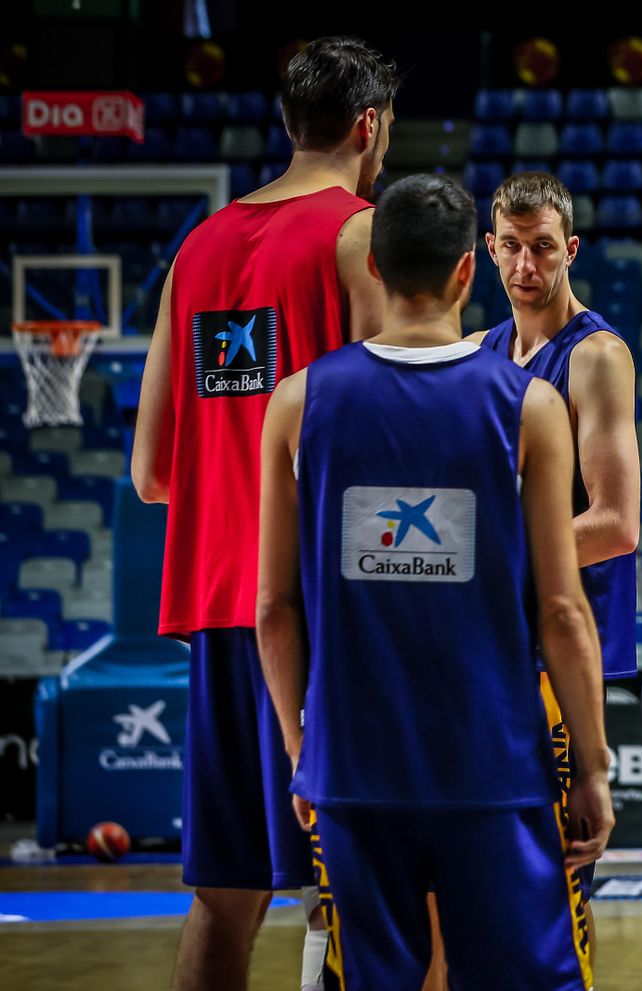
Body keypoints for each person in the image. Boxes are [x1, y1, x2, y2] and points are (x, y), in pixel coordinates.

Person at [256, 174, 612, 990]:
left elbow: (275, 606)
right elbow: (561, 608)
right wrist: (591, 764)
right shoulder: (529, 406)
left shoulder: (296, 400)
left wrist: (299, 746)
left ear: (373, 269)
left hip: (353, 764)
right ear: (468, 269)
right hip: (493, 764)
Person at [128, 35, 395, 991]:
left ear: (290, 124)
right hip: (327, 606)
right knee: (371, 883)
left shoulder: (194, 249)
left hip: (217, 606)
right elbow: (387, 418)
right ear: (370, 126)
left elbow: (152, 474)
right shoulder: (359, 232)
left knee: (225, 890)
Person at [462, 169, 639, 985]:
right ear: (487, 250)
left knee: (557, 882)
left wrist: (490, 552)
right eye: (511, 247)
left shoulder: (597, 355)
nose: (525, 265)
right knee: (484, 886)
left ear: (569, 250)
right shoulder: (481, 352)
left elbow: (615, 522)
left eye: (542, 248)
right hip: (499, 651)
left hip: (565, 654)